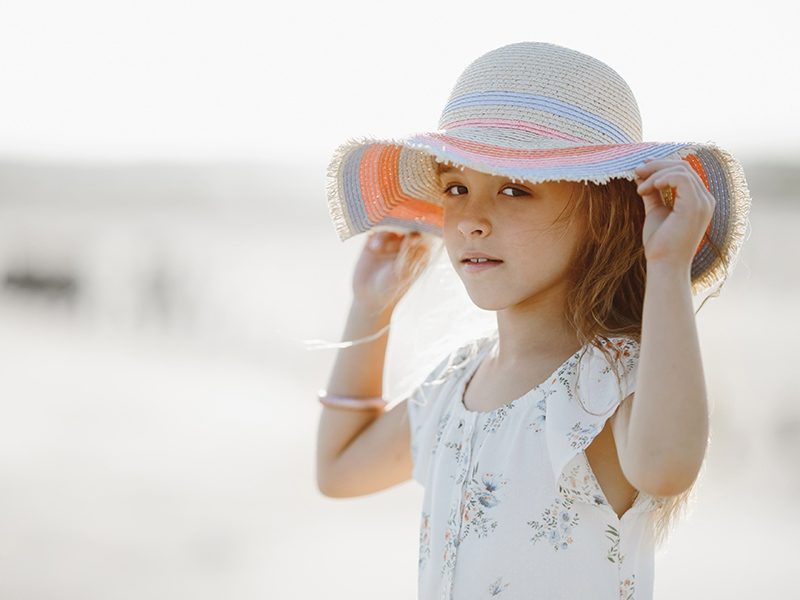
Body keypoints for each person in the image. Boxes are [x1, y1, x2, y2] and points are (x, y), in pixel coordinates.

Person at [314, 41, 751, 600]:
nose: (471, 218)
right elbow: (338, 469)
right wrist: (370, 307)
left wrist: (665, 266)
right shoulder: (456, 384)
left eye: (515, 189)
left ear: (603, 214)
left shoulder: (607, 380)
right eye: (456, 188)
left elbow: (667, 466)